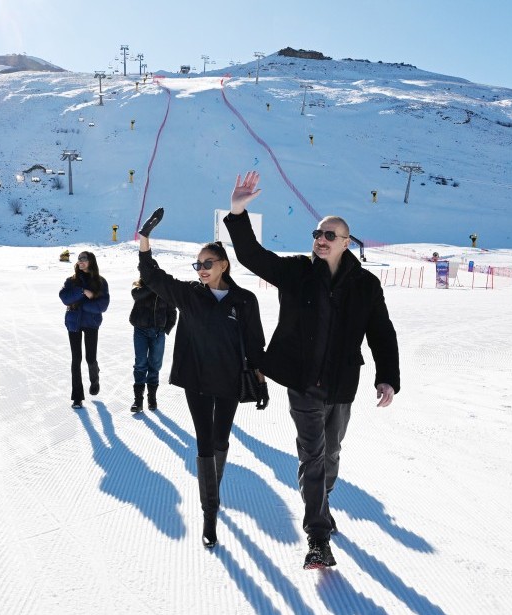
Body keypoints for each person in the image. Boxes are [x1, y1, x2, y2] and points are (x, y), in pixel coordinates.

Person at [224, 171, 400, 570]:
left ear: (345, 243)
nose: (320, 239)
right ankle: (318, 537)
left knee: (332, 453)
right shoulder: (297, 273)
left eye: (329, 236)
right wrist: (237, 212)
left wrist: (387, 374)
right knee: (313, 456)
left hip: (341, 385)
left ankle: (319, 500)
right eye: (317, 233)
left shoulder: (366, 285)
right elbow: (252, 256)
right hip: (303, 383)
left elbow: (381, 331)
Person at [137, 207, 268, 549]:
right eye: (198, 265)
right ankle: (210, 512)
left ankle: (213, 488)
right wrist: (145, 244)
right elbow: (155, 279)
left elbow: (255, 342)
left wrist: (260, 377)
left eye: (207, 263)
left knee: (221, 440)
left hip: (228, 381)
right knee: (204, 441)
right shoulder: (192, 295)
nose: (202, 269)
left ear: (224, 264)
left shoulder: (244, 300)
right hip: (196, 379)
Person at [59, 251, 110, 408]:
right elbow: (64, 298)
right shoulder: (71, 281)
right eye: (79, 259)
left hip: (91, 323)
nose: (80, 261)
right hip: (73, 323)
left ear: (91, 262)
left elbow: (103, 305)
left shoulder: (100, 282)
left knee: (90, 358)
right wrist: (82, 292)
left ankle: (94, 379)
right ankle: (77, 397)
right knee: (76, 359)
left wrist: (84, 305)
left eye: (83, 259)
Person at [129, 278, 178, 412]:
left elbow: (172, 311)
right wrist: (152, 285)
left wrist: (166, 328)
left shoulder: (166, 291)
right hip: (140, 330)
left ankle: (152, 398)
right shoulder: (139, 289)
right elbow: (136, 295)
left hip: (158, 332)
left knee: (155, 364)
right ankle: (138, 401)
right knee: (140, 363)